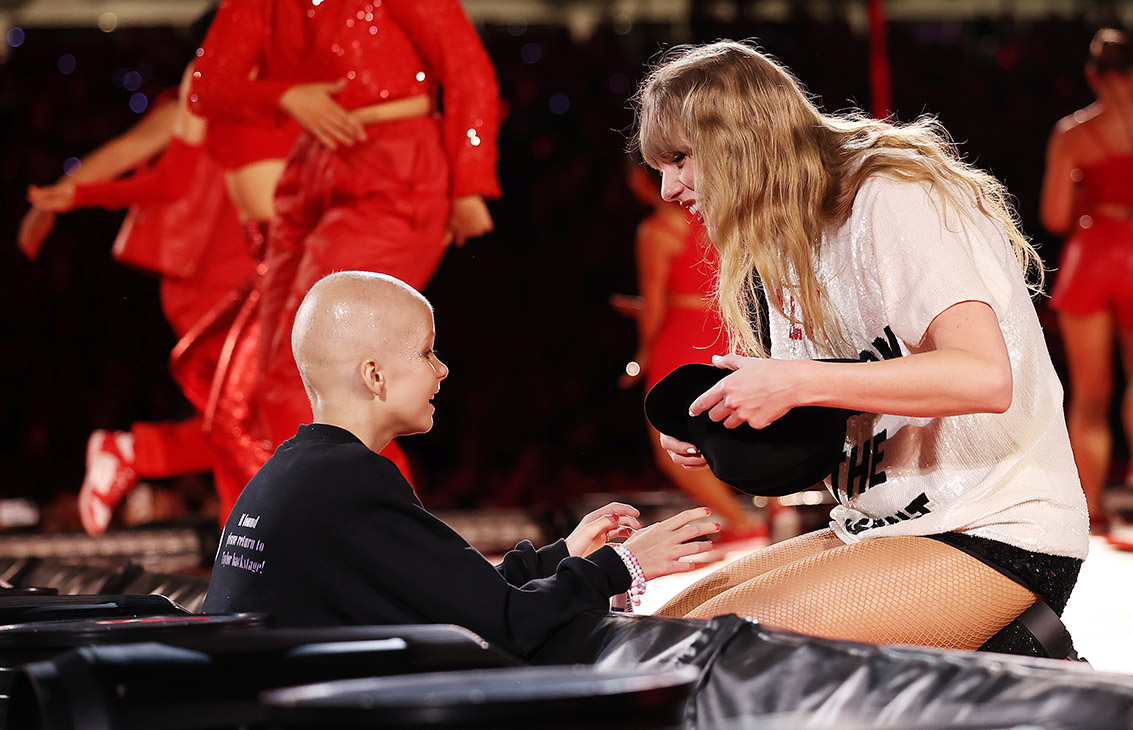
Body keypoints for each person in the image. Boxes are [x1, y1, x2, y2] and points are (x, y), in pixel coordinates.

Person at [633, 41, 1089, 651]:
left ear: (738, 138)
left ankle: (1014, 660)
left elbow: (983, 376)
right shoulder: (783, 238)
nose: (667, 189)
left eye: (680, 159)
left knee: (711, 653)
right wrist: (728, 425)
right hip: (875, 530)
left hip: (995, 531)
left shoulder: (890, 196)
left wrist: (795, 382)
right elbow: (838, 423)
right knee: (654, 642)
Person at [203, 271, 718, 657]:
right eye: (427, 353)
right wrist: (623, 565)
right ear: (375, 376)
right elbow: (505, 624)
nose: (443, 369)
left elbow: (451, 589)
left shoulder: (296, 471)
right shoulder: (350, 482)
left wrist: (561, 554)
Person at [188, 0, 500, 481]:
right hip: (311, 171)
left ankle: (385, 536)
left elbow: (465, 65)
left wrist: (469, 182)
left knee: (327, 379)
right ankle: (337, 532)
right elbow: (206, 89)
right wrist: (287, 96)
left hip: (396, 168)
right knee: (277, 381)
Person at [22, 52, 261, 533]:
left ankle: (132, 454)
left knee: (257, 422)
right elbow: (126, 151)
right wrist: (61, 197)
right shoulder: (196, 103)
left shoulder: (274, 106)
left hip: (256, 287)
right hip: (207, 292)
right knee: (246, 422)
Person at [1040, 29, 1133, 533]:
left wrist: (1083, 197)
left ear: (1092, 75)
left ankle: (1092, 507)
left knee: (1091, 393)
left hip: (1095, 254)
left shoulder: (1072, 133)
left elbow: (1056, 216)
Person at [617, 162, 765, 545]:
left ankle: (740, 522)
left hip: (680, 337)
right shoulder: (712, 220)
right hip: (721, 327)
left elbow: (655, 304)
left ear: (637, 180)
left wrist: (642, 356)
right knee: (731, 424)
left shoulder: (656, 231)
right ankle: (774, 507)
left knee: (669, 443)